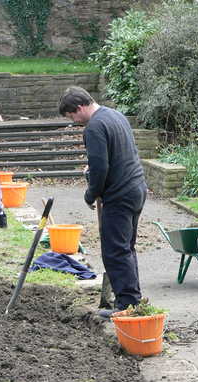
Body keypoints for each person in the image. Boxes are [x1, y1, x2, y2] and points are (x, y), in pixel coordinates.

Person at [58, 86, 147, 318]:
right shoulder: (115, 115)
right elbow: (121, 153)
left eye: (72, 116)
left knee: (115, 250)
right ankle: (132, 301)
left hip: (119, 194)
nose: (75, 121)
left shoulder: (94, 127)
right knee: (126, 247)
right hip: (136, 188)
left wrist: (90, 193)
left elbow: (100, 168)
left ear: (79, 108)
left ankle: (126, 305)